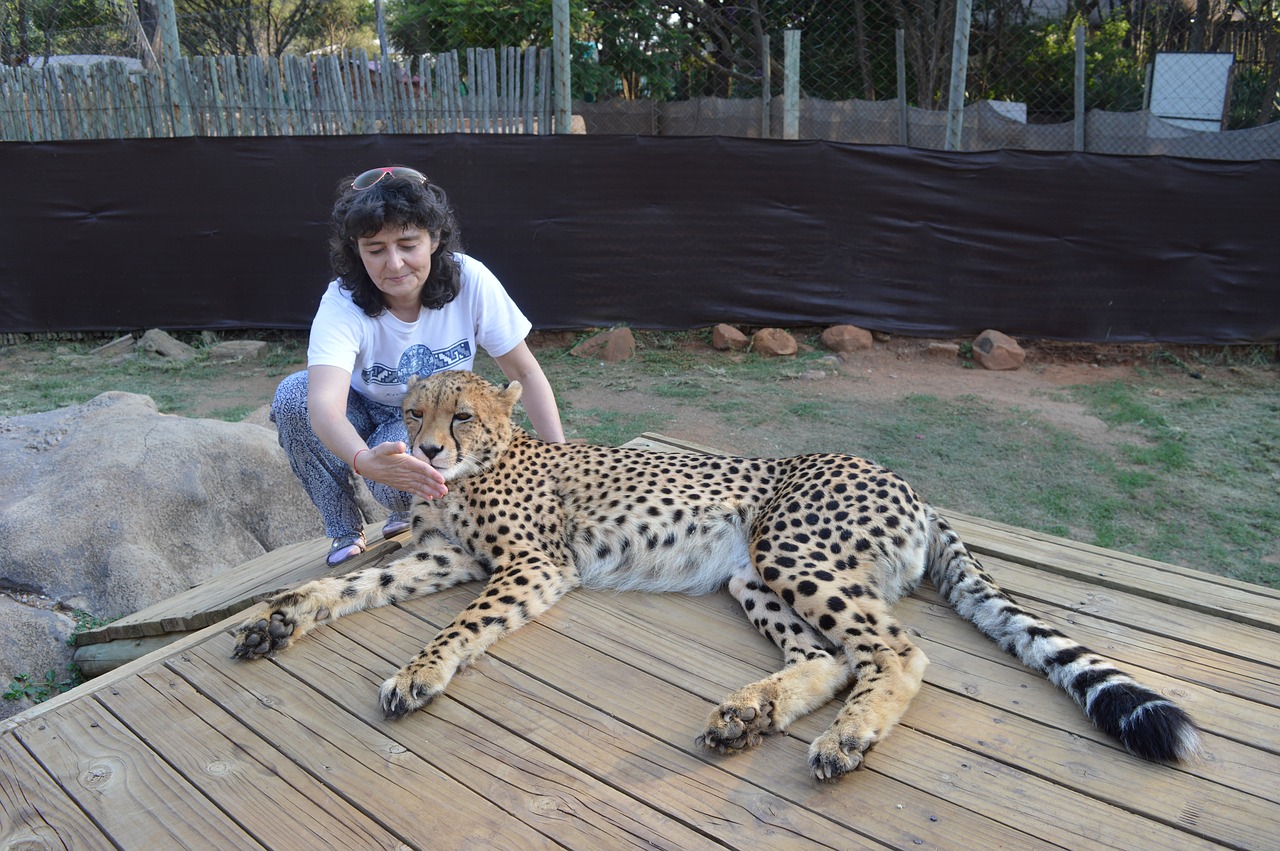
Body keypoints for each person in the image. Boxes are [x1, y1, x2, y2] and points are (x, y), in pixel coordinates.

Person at [272, 165, 565, 566]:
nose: (393, 264)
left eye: (408, 244)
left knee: (404, 482)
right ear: (356, 251)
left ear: (435, 239)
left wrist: (559, 460)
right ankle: (343, 528)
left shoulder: (471, 280)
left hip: (426, 419)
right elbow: (324, 405)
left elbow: (525, 373)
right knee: (292, 397)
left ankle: (401, 510)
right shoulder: (341, 302)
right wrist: (363, 460)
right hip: (359, 407)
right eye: (375, 249)